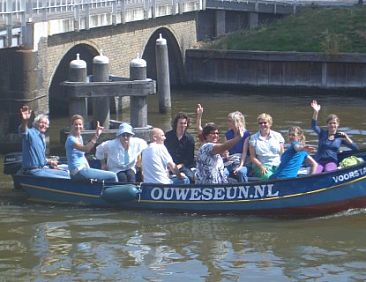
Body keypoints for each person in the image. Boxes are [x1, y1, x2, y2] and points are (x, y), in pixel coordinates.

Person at [196, 104, 250, 182]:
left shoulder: (245, 134)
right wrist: (238, 138)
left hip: (234, 164)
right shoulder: (206, 146)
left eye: (217, 134)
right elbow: (224, 147)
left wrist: (225, 155)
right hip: (210, 182)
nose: (216, 136)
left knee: (237, 176)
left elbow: (223, 149)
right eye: (212, 133)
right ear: (206, 136)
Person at [19, 105, 69, 178]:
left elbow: (40, 158)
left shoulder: (42, 137)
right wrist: (25, 120)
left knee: (67, 174)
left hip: (43, 168)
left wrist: (50, 162)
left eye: (46, 124)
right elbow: (23, 130)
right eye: (41, 123)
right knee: (64, 178)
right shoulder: (30, 133)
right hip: (33, 171)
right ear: (36, 123)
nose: (44, 125)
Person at [65, 114, 118, 182]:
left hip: (82, 169)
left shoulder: (79, 137)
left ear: (83, 126)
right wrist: (96, 135)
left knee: (100, 178)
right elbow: (86, 149)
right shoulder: (71, 139)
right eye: (76, 124)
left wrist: (88, 168)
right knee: (113, 175)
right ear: (71, 125)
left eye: (80, 124)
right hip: (77, 171)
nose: (78, 126)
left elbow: (82, 156)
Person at [310, 100, 358, 172]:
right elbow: (313, 126)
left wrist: (347, 138)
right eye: (330, 123)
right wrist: (316, 112)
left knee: (329, 171)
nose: (332, 125)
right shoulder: (322, 133)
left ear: (338, 124)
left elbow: (355, 148)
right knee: (315, 173)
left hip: (331, 162)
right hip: (319, 162)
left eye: (334, 123)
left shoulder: (340, 137)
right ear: (327, 124)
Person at [249, 113, 285, 180]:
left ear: (270, 124)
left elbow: (282, 153)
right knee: (267, 176)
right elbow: (252, 157)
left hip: (277, 164)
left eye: (265, 123)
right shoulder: (253, 138)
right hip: (261, 166)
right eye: (260, 123)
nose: (263, 125)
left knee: (286, 175)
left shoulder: (278, 136)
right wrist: (261, 166)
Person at [164, 112, 195, 183]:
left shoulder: (190, 139)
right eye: (181, 123)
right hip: (169, 164)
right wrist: (170, 166)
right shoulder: (168, 136)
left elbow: (190, 158)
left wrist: (179, 166)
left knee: (191, 177)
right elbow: (164, 153)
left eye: (185, 123)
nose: (183, 125)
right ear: (176, 124)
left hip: (183, 166)